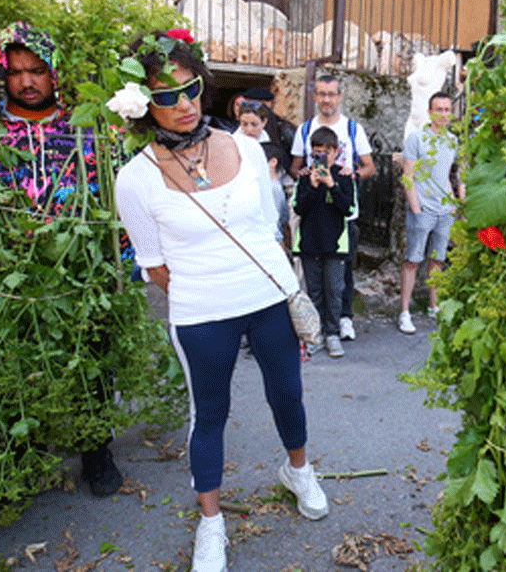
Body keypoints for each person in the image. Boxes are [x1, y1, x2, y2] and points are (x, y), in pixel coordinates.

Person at [114, 31, 328, 572]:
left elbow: (269, 225)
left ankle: (298, 471)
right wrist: (208, 287)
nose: (182, 104)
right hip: (201, 309)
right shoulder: (135, 179)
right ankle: (211, 523)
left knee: (287, 392)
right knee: (209, 413)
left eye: (189, 89)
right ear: (145, 104)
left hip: (267, 297)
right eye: (165, 96)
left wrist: (283, 283)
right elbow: (153, 263)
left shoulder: (247, 147)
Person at [0, 21, 125, 497]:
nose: (27, 81)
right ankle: (23, 452)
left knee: (90, 359)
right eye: (16, 72)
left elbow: (116, 194)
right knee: (17, 360)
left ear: (54, 73)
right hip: (12, 271)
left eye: (38, 70)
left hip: (82, 271)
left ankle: (95, 450)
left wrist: (119, 261)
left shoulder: (87, 127)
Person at [290, 75, 376, 342]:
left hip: (343, 208)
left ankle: (344, 319)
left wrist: (352, 176)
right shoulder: (305, 130)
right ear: (315, 96)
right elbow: (294, 166)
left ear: (340, 96)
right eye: (322, 94)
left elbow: (370, 167)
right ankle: (319, 327)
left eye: (332, 94)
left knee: (343, 270)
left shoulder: (352, 129)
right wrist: (303, 174)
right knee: (316, 274)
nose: (327, 99)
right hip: (314, 208)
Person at [398, 91, 462, 334]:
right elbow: (408, 176)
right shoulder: (417, 138)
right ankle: (404, 311)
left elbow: (447, 175)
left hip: (444, 210)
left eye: (447, 110)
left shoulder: (452, 141)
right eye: (439, 109)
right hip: (423, 209)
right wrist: (416, 207)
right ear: (430, 112)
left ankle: (434, 306)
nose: (443, 114)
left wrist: (453, 202)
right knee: (413, 260)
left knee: (438, 260)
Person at [293, 127, 354, 358]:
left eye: (326, 153)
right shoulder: (305, 178)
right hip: (310, 244)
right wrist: (313, 185)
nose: (322, 157)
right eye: (317, 153)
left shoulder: (344, 176)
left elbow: (348, 208)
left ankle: (333, 333)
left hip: (336, 245)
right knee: (314, 291)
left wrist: (332, 185)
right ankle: (315, 334)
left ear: (336, 152)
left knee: (334, 290)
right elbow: (299, 208)